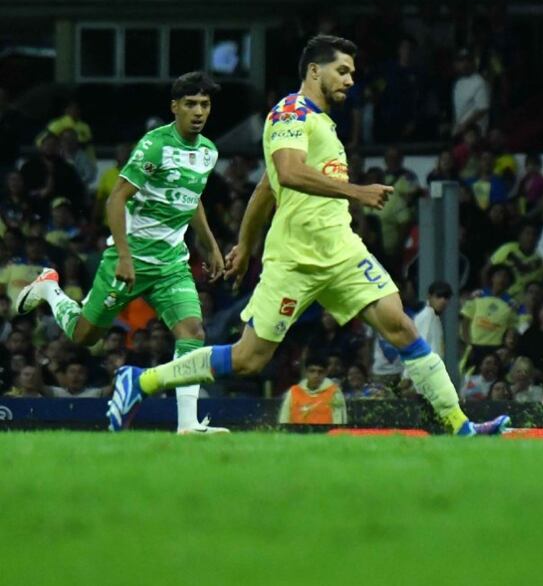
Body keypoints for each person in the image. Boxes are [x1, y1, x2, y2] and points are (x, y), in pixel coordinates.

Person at [105, 35, 508, 436]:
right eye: (343, 71)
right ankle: (140, 382)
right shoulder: (288, 113)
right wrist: (357, 191)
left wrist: (245, 243)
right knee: (248, 359)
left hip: (342, 250)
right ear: (315, 70)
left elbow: (265, 187)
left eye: (352, 72)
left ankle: (461, 426)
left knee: (401, 325)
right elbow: (288, 173)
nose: (351, 80)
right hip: (294, 259)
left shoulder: (323, 124)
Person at [17, 72, 228, 435]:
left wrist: (208, 243)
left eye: (204, 105)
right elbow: (117, 199)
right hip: (127, 259)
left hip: (171, 264)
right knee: (85, 337)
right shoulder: (155, 145)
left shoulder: (208, 151)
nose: (198, 112)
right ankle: (50, 289)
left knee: (193, 331)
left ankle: (188, 424)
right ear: (174, 107)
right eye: (190, 104)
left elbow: (191, 200)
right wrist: (126, 256)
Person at [278, 360, 347, 425]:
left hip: (325, 436)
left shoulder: (334, 392)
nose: (316, 375)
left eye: (320, 372)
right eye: (312, 371)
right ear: (305, 372)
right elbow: (284, 418)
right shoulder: (294, 391)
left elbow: (339, 421)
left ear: (325, 373)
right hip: (295, 436)